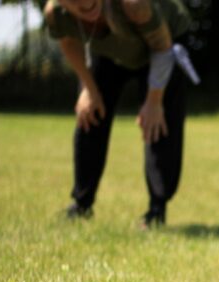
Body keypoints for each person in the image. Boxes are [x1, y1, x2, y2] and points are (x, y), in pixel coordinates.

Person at [44, 0, 197, 228]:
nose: (84, 2)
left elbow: (162, 47)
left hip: (163, 45)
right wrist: (88, 88)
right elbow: (67, 41)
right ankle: (81, 204)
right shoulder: (56, 13)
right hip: (108, 50)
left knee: (158, 123)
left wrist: (154, 101)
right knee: (90, 113)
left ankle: (156, 209)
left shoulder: (133, 4)